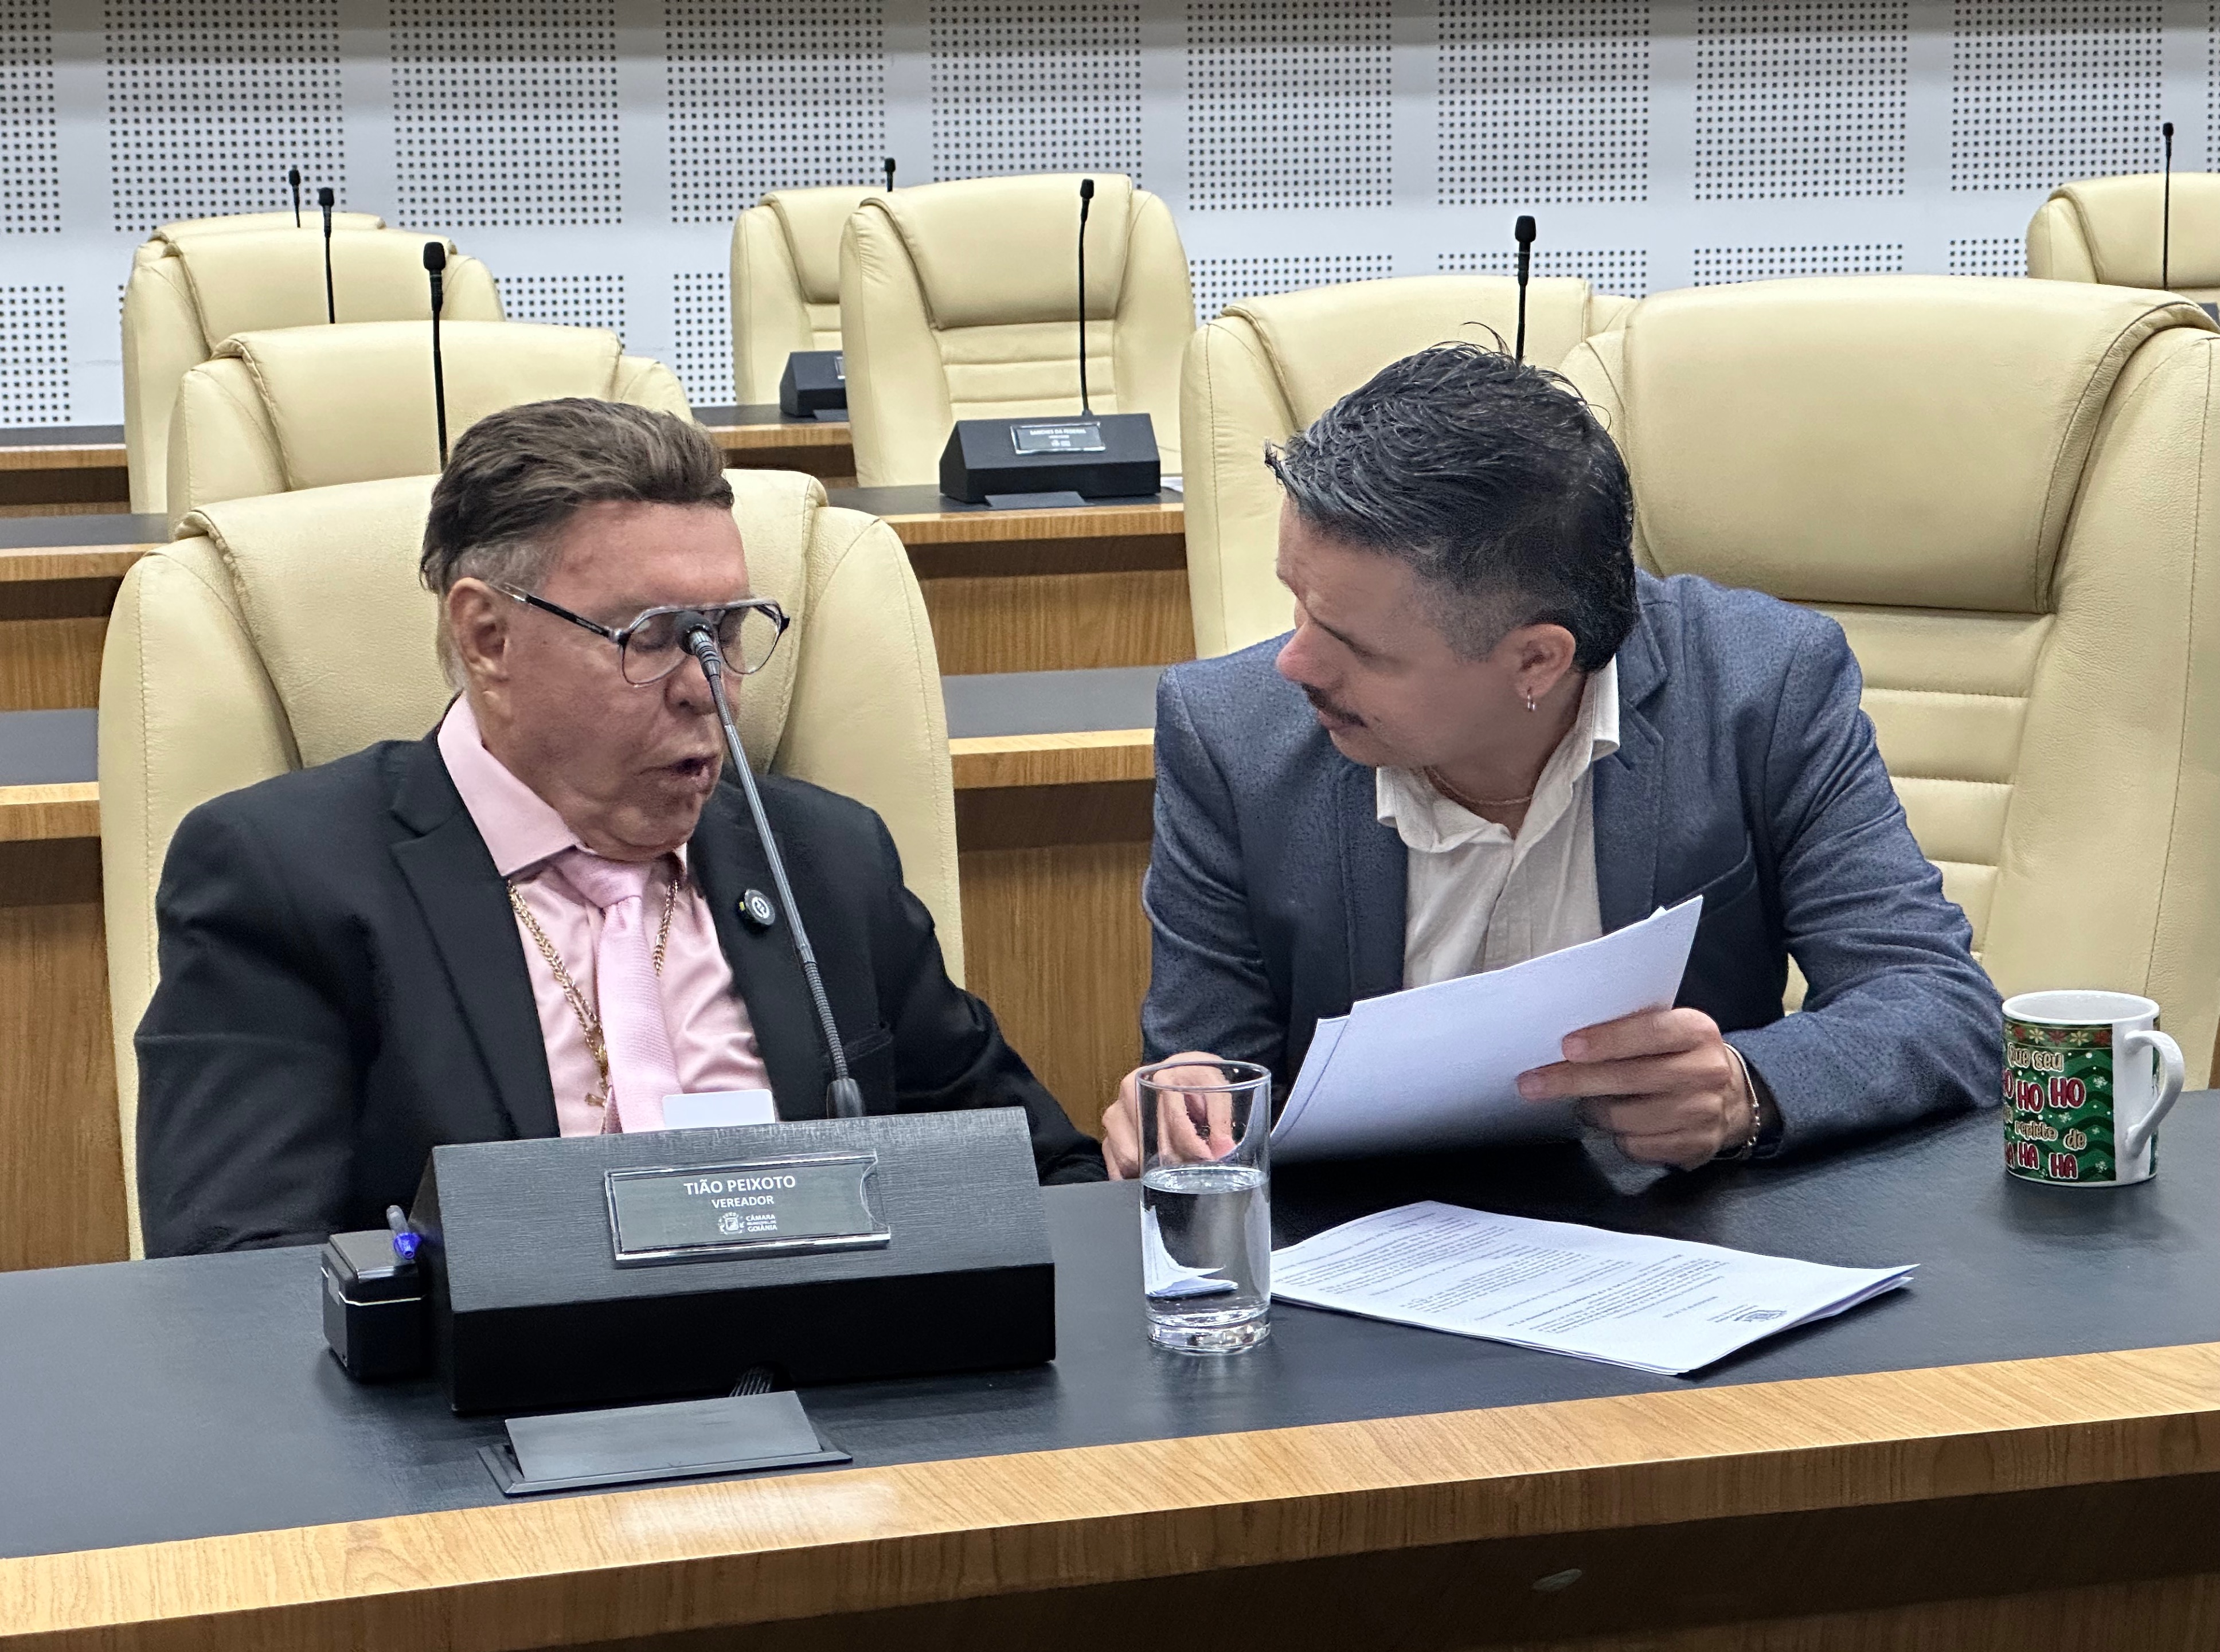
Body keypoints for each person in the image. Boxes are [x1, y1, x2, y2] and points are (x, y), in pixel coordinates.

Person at [137, 398, 1101, 1255]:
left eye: (725, 633)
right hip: (492, 1398)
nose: (708, 689)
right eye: (655, 637)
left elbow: (1043, 1178)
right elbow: (244, 1274)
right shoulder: (285, 876)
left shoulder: (822, 861)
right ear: (488, 637)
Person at [1102, 344, 1999, 1177]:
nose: (1294, 664)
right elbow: (1208, 1072)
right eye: (1296, 604)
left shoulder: (1759, 690)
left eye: (1356, 646)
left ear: (1537, 660)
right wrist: (1185, 1103)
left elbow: (1937, 1004)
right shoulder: (1227, 733)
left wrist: (1743, 1086)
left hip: (1682, 1239)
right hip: (1362, 1247)